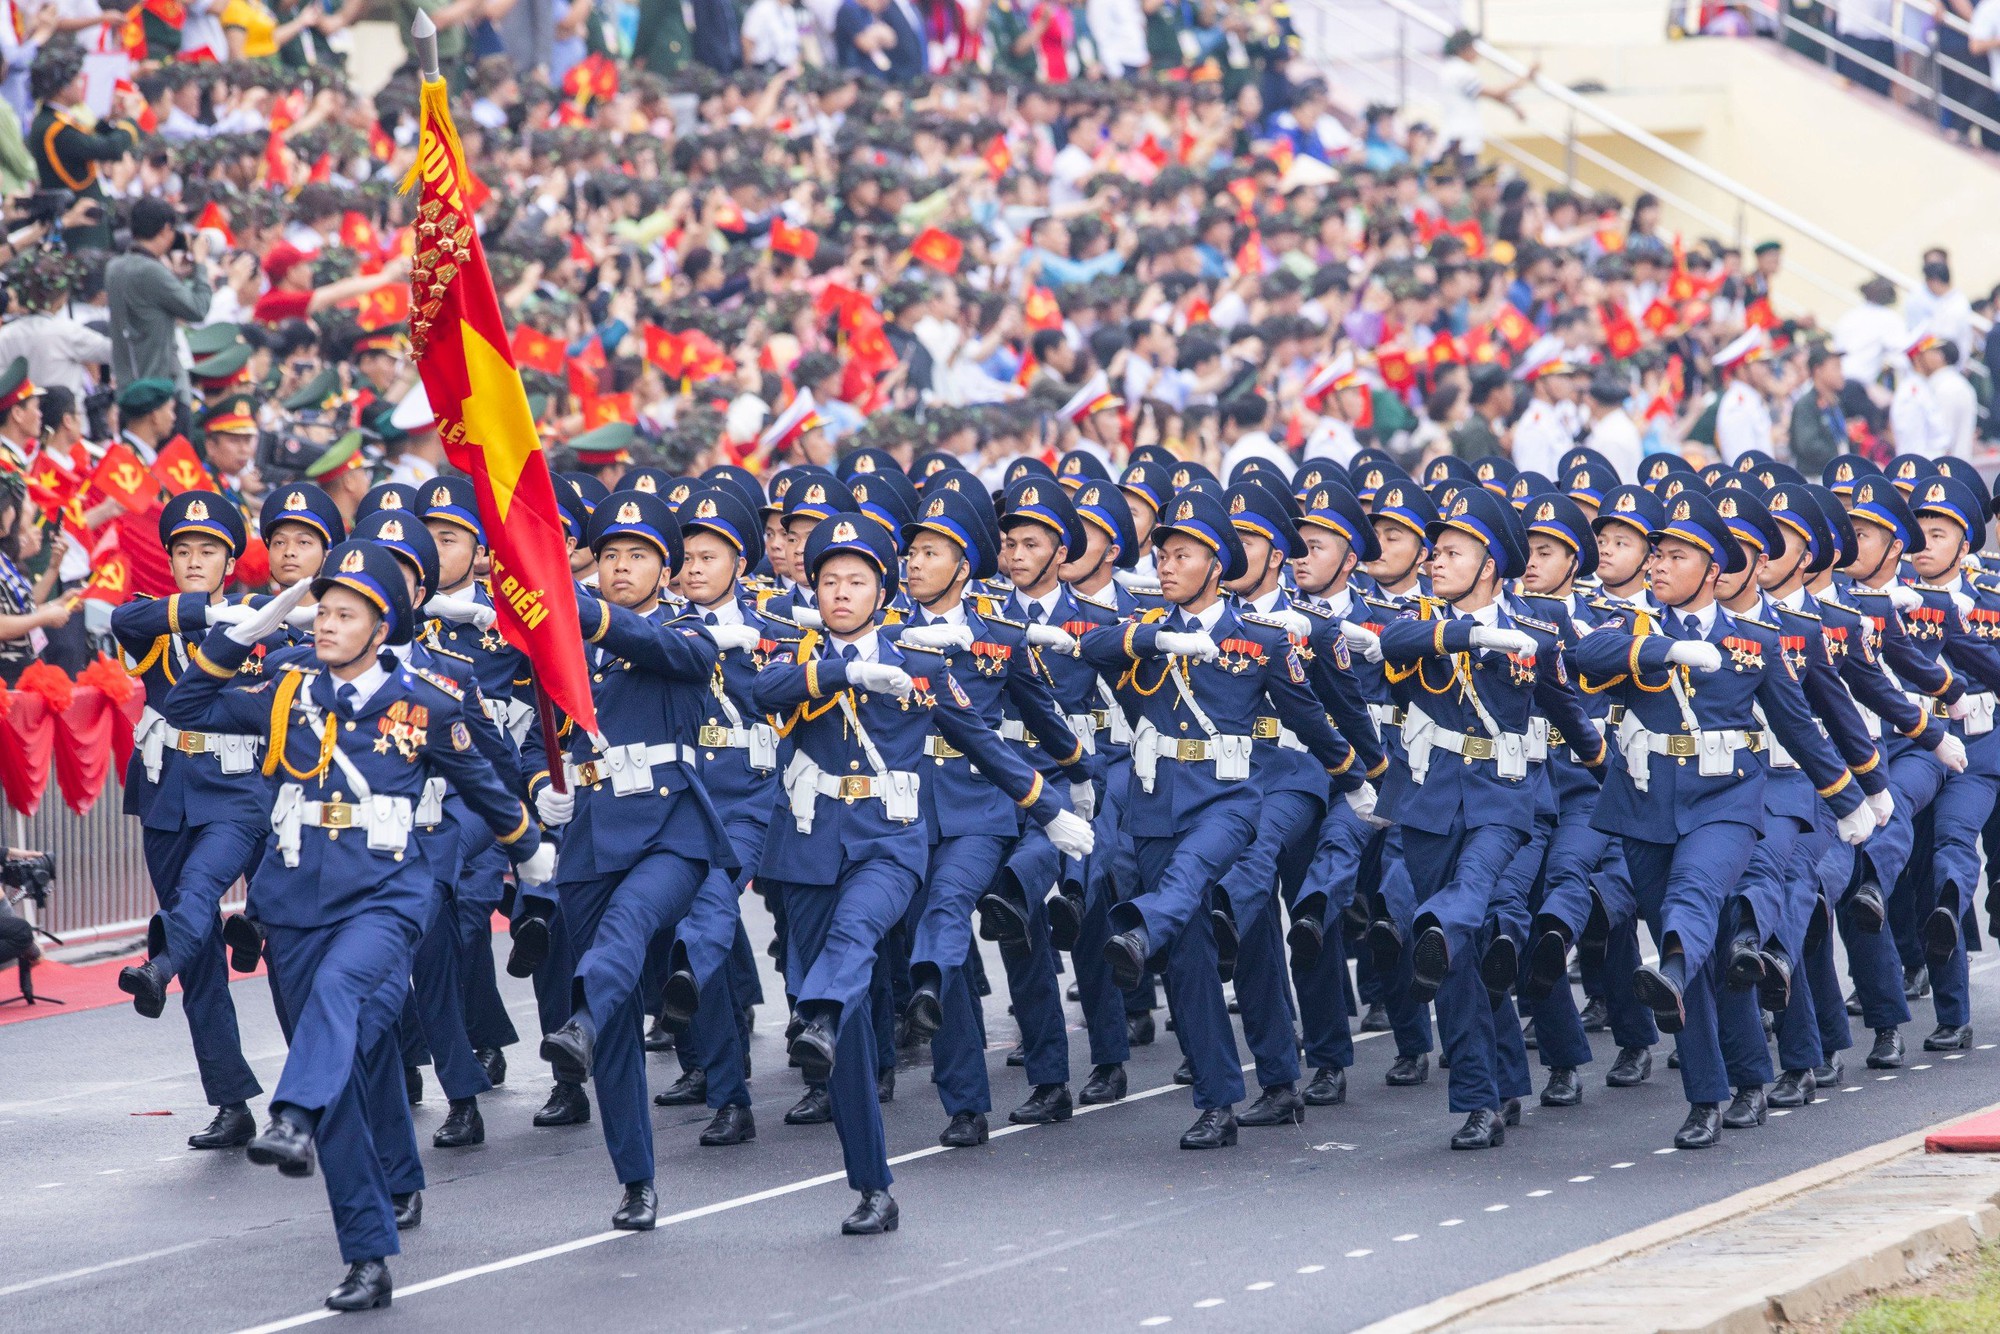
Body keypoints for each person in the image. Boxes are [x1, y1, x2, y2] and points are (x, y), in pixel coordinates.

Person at [161, 543, 552, 1312]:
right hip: (296, 904)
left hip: (386, 896)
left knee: (340, 1000)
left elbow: (489, 786)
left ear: (382, 628)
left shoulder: (429, 700)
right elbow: (186, 706)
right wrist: (248, 630)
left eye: (346, 614)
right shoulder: (286, 689)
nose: (327, 624)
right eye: (324, 611)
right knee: (340, 1068)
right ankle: (369, 1256)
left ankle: (290, 1113)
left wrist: (532, 857)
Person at [755, 511, 1088, 1232]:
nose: (841, 593)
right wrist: (844, 670)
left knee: (854, 942)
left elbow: (981, 741)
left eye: (858, 580)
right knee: (839, 1028)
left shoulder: (921, 661)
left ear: (882, 591)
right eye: (829, 580)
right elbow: (764, 695)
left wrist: (1047, 807)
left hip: (889, 842)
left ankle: (816, 1012)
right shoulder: (788, 650)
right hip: (807, 848)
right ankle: (873, 1185)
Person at [529, 488, 740, 1229]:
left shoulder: (690, 631)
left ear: (668, 570)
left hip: (672, 831)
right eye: (610, 555)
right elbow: (536, 735)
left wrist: (587, 615)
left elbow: (666, 654)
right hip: (590, 833)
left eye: (638, 557)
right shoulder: (567, 643)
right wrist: (538, 787)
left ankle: (578, 1018)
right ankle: (636, 1179)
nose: (620, 568)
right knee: (612, 1026)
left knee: (625, 931)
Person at [111, 492, 269, 1152]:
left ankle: (345, 1081)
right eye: (183, 551)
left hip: (237, 791)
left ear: (231, 559)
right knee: (202, 951)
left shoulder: (262, 620)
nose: (195, 560)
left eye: (208, 551)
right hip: (167, 792)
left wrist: (246, 619)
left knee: (223, 909)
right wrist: (211, 612)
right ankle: (231, 1102)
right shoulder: (157, 621)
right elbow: (123, 618)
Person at [105, 198, 212, 395]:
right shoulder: (151, 271)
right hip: (158, 393)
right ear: (165, 230)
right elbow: (198, 309)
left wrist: (175, 276)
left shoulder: (114, 267)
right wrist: (200, 262)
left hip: (127, 387)